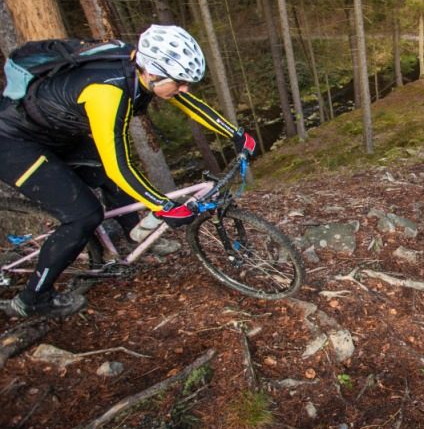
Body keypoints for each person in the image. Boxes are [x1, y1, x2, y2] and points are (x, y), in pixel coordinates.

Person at [0, 25, 256, 318]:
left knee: (109, 178)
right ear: (154, 73)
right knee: (83, 215)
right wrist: (163, 206)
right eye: (181, 82)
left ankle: (133, 235)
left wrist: (235, 133)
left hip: (55, 132)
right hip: (13, 143)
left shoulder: (142, 66)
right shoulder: (106, 94)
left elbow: (185, 100)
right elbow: (119, 166)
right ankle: (33, 298)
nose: (185, 88)